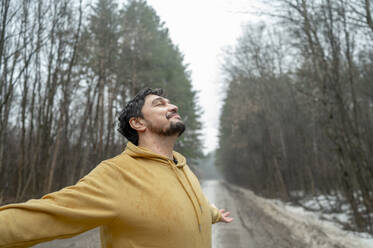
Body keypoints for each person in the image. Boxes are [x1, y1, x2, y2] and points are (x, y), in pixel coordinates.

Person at [0, 88, 232, 248]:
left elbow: (188, 205)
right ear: (138, 123)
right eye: (159, 104)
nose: (173, 106)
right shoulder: (118, 174)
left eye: (170, 102)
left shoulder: (182, 166)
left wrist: (212, 213)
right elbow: (47, 214)